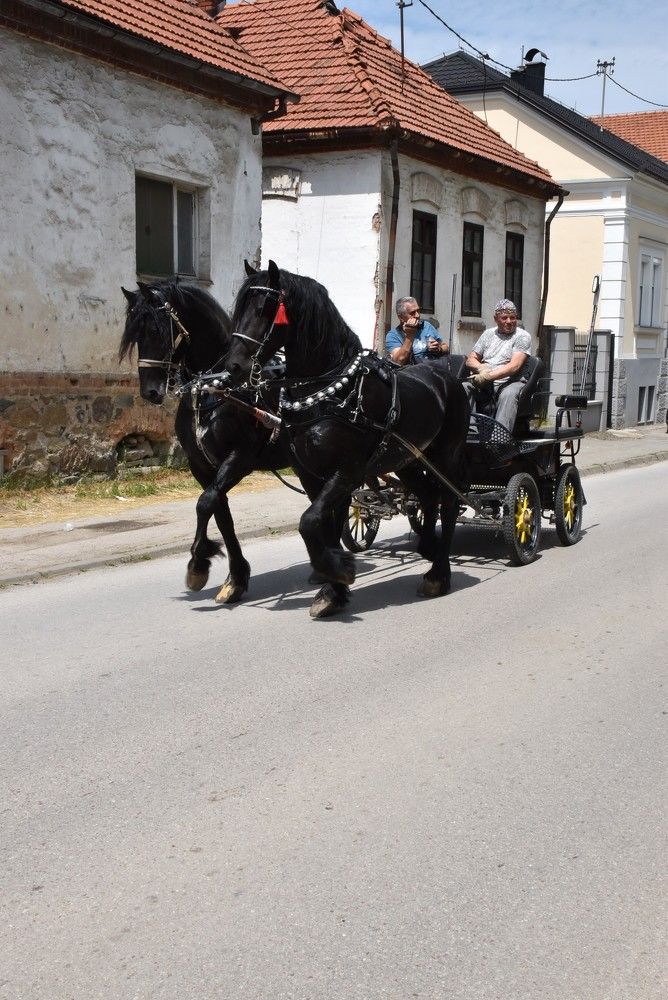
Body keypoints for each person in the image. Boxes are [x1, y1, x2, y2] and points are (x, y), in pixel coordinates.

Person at [464, 299, 531, 433]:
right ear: (496, 319)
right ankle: (471, 431)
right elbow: (470, 359)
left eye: (512, 318)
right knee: (464, 387)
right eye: (504, 318)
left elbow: (514, 366)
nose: (509, 321)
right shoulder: (488, 334)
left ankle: (500, 438)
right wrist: (481, 368)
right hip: (487, 381)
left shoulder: (522, 336)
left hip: (512, 381)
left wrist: (487, 376)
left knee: (509, 394)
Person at [386, 296, 449, 365]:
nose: (417, 315)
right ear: (401, 317)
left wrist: (438, 349)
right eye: (412, 313)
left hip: (431, 370)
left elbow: (445, 347)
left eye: (418, 311)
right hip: (411, 374)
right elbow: (399, 361)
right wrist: (410, 335)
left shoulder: (426, 326)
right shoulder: (393, 335)